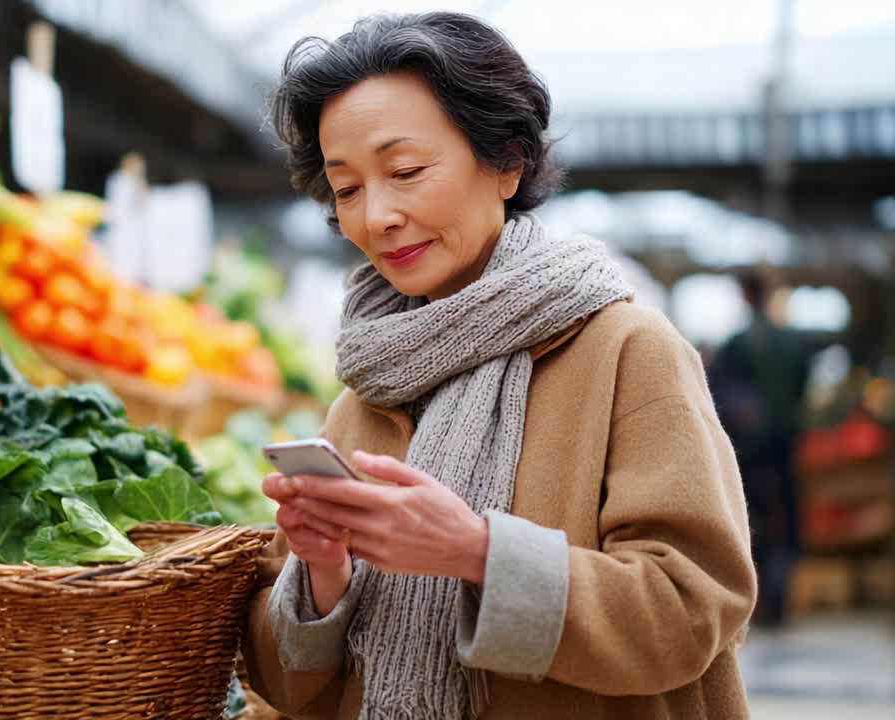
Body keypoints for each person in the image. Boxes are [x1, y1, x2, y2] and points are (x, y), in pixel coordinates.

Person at [243, 12, 757, 719]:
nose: (377, 216)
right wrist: (323, 577)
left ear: (508, 162)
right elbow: (284, 685)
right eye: (348, 187)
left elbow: (692, 612)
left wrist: (477, 552)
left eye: (405, 171)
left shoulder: (628, 350)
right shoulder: (364, 392)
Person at [710, 271, 810, 627]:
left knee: (752, 519)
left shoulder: (737, 345)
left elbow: (721, 399)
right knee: (787, 518)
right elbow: (802, 392)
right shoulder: (793, 342)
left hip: (749, 451)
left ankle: (757, 600)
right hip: (787, 444)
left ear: (744, 295)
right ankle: (781, 601)